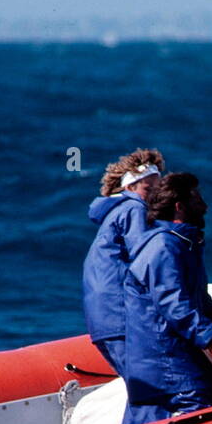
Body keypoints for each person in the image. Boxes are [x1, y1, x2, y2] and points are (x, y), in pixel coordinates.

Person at [120, 172, 212, 424]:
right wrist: (208, 337)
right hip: (162, 352)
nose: (205, 206)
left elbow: (197, 297)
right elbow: (172, 302)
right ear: (180, 207)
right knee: (203, 399)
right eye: (197, 199)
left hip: (169, 348)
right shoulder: (164, 246)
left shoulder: (183, 243)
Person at [81, 148, 165, 378]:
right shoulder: (134, 208)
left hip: (103, 317)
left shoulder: (114, 214)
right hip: (120, 315)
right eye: (149, 188)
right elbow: (145, 258)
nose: (156, 194)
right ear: (130, 187)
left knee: (139, 383)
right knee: (149, 383)